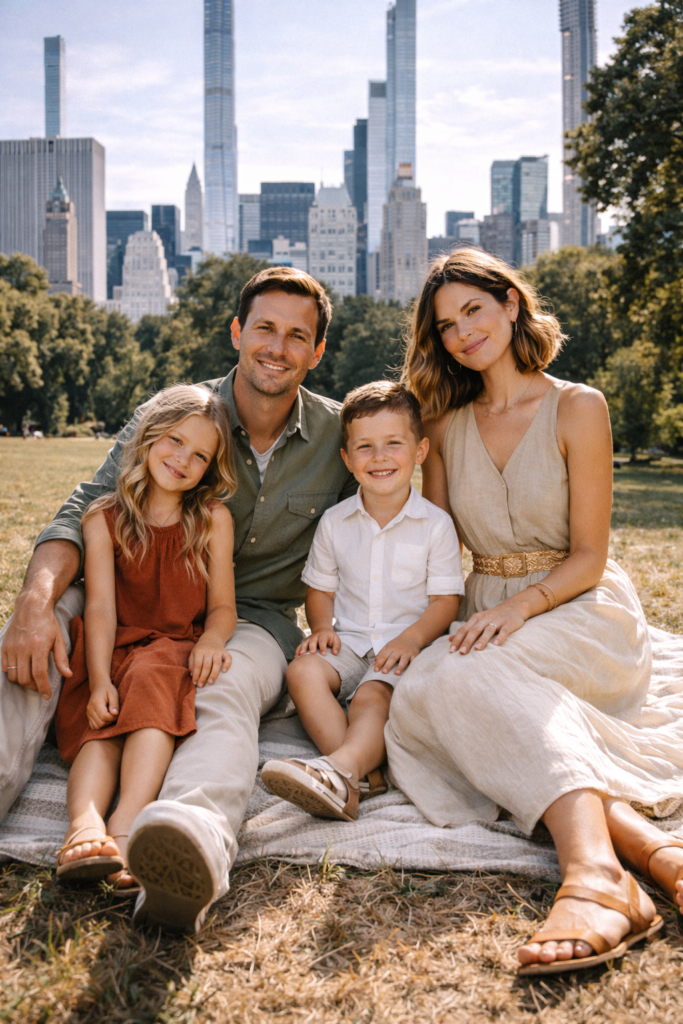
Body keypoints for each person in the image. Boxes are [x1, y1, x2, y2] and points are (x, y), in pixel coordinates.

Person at [0, 266, 357, 932]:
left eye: (297, 336)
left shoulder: (340, 436)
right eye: (265, 329)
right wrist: (36, 599)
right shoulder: (178, 413)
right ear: (237, 333)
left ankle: (181, 843)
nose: (278, 347)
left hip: (245, 617)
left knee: (218, 685)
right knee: (37, 638)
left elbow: (385, 522)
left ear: (316, 351)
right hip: (127, 592)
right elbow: (89, 504)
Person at [385, 248, 683, 976]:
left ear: (510, 304)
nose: (460, 334)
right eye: (445, 325)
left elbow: (587, 553)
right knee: (417, 699)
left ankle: (595, 875)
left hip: (579, 606)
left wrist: (521, 606)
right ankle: (649, 851)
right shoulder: (444, 423)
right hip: (486, 606)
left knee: (452, 686)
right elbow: (430, 541)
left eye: (472, 311)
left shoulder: (577, 406)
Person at [54, 385, 236, 892]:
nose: (183, 459)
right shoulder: (103, 518)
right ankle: (83, 827)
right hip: (111, 647)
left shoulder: (211, 519)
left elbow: (222, 607)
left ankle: (126, 826)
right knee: (103, 725)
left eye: (200, 455)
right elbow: (100, 607)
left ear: (211, 467)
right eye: (175, 441)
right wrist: (95, 683)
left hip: (173, 648)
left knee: (152, 689)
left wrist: (212, 640)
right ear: (149, 437)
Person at [261, 382, 463, 821]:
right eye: (365, 447)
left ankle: (338, 771)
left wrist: (411, 640)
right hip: (349, 641)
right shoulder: (335, 523)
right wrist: (323, 630)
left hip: (407, 648)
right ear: (347, 459)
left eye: (394, 443)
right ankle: (364, 779)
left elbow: (446, 601)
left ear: (420, 450)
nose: (380, 457)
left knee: (372, 696)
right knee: (302, 672)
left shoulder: (436, 525)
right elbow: (321, 590)